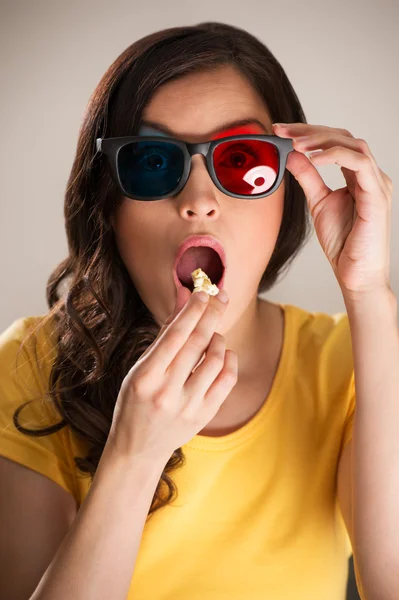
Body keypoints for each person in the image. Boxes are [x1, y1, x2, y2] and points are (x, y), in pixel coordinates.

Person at [0, 21, 359, 600]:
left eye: (243, 162)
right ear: (109, 205)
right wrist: (134, 454)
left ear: (288, 193)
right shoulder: (29, 363)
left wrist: (369, 292)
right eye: (152, 162)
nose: (197, 202)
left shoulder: (353, 360)